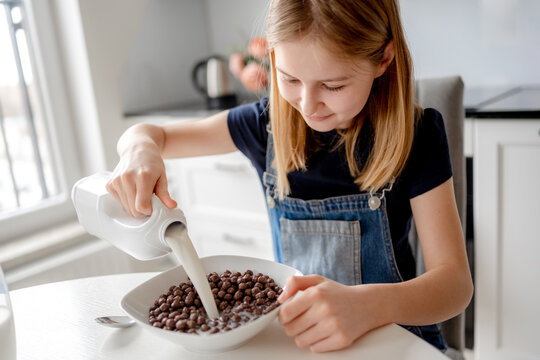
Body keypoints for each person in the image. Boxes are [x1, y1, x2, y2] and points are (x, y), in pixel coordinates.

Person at [106, 0, 473, 354]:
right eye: (290, 78)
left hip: (397, 341)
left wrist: (367, 306)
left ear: (383, 59)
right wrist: (139, 147)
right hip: (302, 343)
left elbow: (454, 285)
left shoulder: (418, 136)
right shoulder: (262, 126)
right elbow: (154, 135)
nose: (308, 104)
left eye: (333, 86)